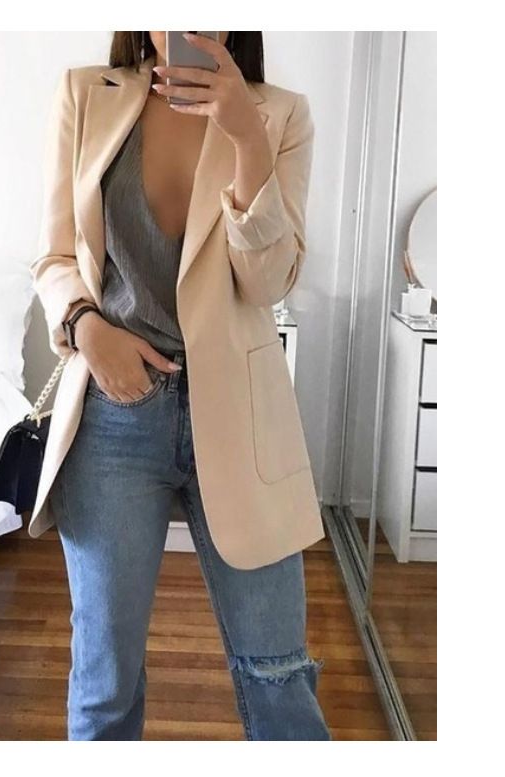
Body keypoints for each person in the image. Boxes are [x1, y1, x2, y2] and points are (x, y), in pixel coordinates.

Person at [30, 31, 331, 741]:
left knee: (279, 675)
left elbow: (270, 282)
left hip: (241, 417)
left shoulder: (280, 114)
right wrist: (86, 327)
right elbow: (53, 257)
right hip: (114, 412)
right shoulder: (86, 94)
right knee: (103, 683)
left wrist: (247, 139)